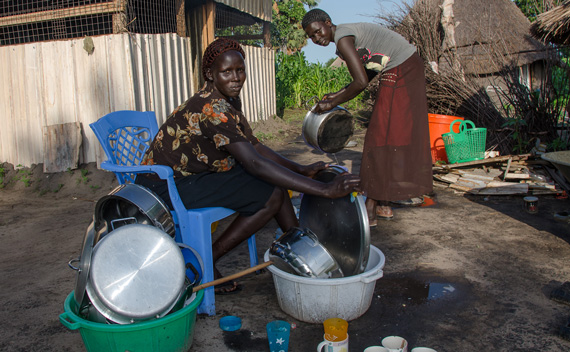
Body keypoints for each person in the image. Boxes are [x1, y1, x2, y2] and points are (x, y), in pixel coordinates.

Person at [135, 38, 360, 294]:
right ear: (210, 74)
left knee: (273, 183)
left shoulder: (226, 102)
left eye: (240, 70)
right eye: (226, 72)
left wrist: (300, 170)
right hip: (163, 188)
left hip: (189, 178)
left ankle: (303, 251)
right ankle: (205, 260)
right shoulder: (211, 108)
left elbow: (256, 148)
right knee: (271, 194)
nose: (236, 78)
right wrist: (325, 190)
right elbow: (254, 162)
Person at [302, 9, 433, 227]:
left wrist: (332, 103)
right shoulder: (345, 39)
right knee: (388, 137)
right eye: (312, 37)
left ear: (328, 22)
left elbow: (361, 81)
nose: (317, 38)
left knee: (378, 138)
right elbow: (370, 72)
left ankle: (371, 207)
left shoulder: (343, 38)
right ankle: (382, 202)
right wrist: (336, 94)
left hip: (403, 68)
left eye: (317, 32)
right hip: (405, 66)